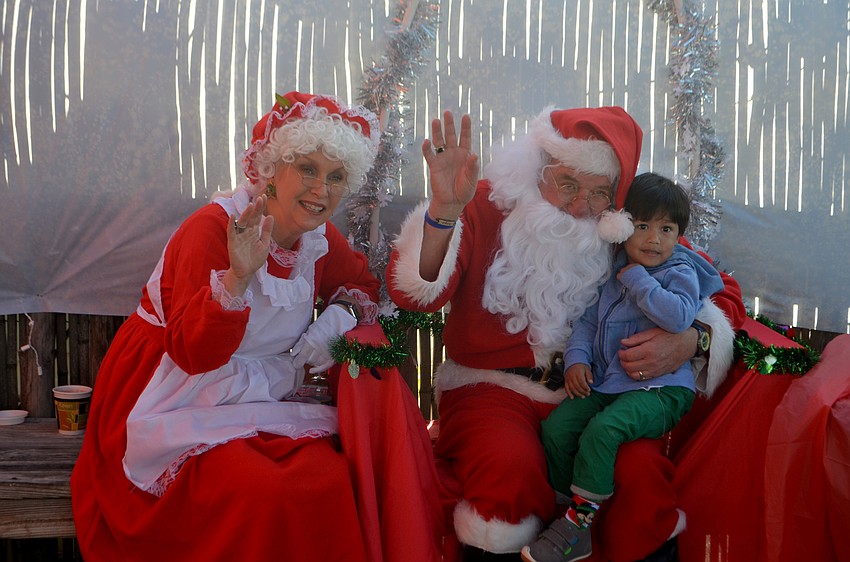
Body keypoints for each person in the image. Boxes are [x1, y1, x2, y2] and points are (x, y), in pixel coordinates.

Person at [71, 91, 444, 562]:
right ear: (269, 171)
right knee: (262, 491)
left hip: (265, 396)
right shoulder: (210, 231)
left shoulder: (317, 238)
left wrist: (337, 320)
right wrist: (238, 277)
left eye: (335, 177)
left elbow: (360, 283)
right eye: (307, 169)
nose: (321, 190)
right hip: (178, 397)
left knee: (326, 479)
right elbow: (194, 353)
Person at [386, 107, 745, 561]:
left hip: (598, 393)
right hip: (491, 390)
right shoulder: (481, 204)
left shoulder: (627, 231)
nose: (580, 207)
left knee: (638, 476)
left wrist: (693, 339)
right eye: (568, 185)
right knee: (508, 472)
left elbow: (722, 293)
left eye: (598, 194)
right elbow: (415, 296)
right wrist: (441, 214)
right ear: (538, 171)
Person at [522, 173, 726, 562]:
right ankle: (571, 515)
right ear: (624, 225)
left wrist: (637, 280)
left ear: (679, 233)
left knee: (604, 431)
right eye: (644, 226)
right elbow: (586, 321)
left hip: (661, 391)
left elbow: (679, 316)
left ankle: (577, 524)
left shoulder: (677, 271)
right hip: (608, 382)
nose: (654, 239)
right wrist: (578, 360)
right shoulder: (612, 270)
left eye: (666, 229)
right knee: (557, 428)